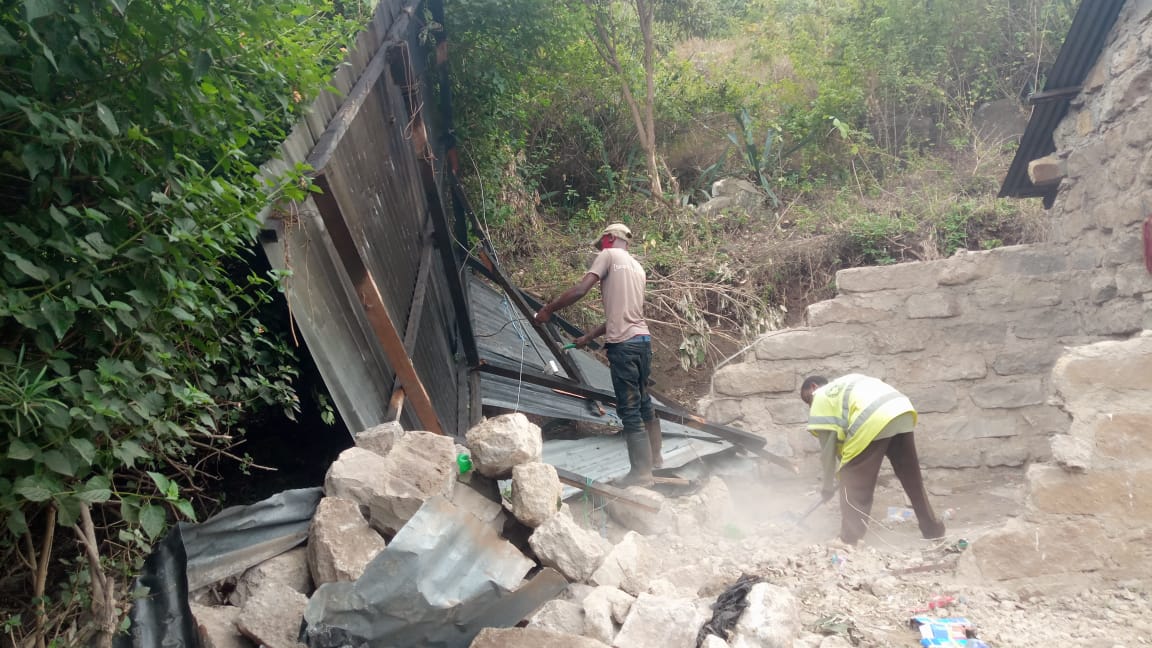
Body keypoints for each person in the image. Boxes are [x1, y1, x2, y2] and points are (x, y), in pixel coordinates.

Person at [534, 223, 662, 485]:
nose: (600, 247)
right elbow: (625, 314)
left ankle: (641, 474)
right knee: (644, 403)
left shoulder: (608, 255)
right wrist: (588, 338)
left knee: (629, 409)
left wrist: (548, 310)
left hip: (624, 346)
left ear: (609, 238)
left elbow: (581, 290)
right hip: (642, 341)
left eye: (602, 242)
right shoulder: (638, 269)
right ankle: (656, 461)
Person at [799, 374, 946, 546]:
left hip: (873, 418)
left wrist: (827, 487)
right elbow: (845, 449)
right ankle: (933, 530)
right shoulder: (844, 386)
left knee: (851, 480)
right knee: (911, 477)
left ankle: (848, 539)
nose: (809, 405)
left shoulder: (821, 398)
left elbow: (827, 452)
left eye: (806, 399)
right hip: (900, 409)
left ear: (814, 387)